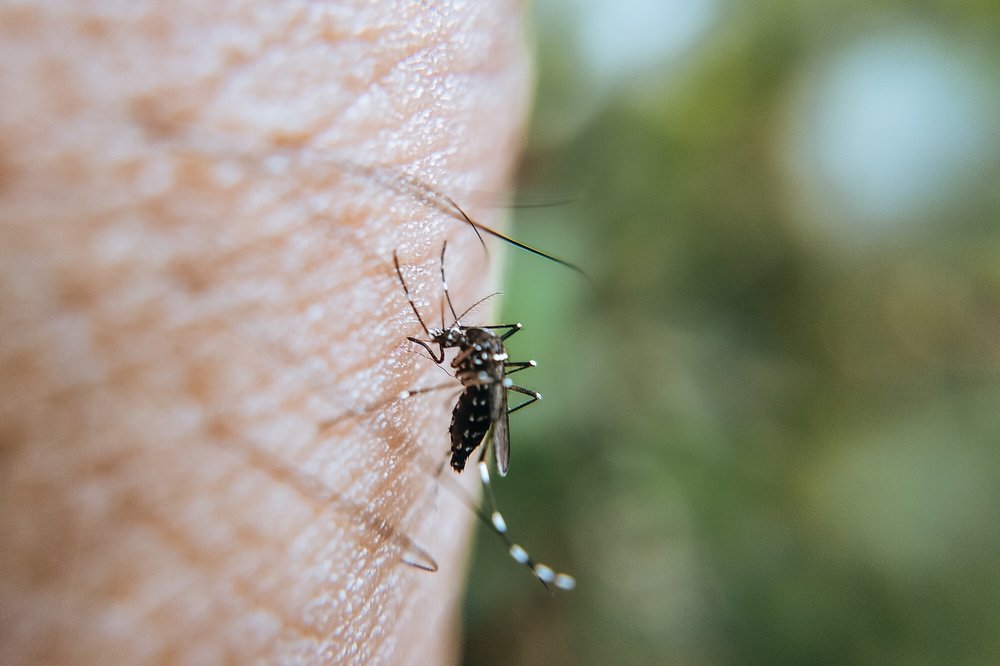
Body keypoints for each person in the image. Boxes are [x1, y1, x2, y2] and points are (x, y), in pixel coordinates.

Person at [0, 2, 530, 662]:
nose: (452, 346)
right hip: (484, 386)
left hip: (481, 397)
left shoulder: (476, 370)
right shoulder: (479, 348)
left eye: (459, 349)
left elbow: (463, 364)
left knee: (464, 391)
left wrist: (427, 388)